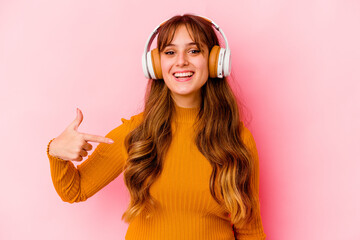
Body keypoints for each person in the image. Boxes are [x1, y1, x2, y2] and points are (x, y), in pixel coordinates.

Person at [46, 14, 266, 240]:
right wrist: (56, 152)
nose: (181, 61)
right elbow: (74, 190)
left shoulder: (237, 139)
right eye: (170, 52)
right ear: (156, 65)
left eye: (194, 51)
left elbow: (250, 232)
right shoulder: (136, 134)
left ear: (215, 61)